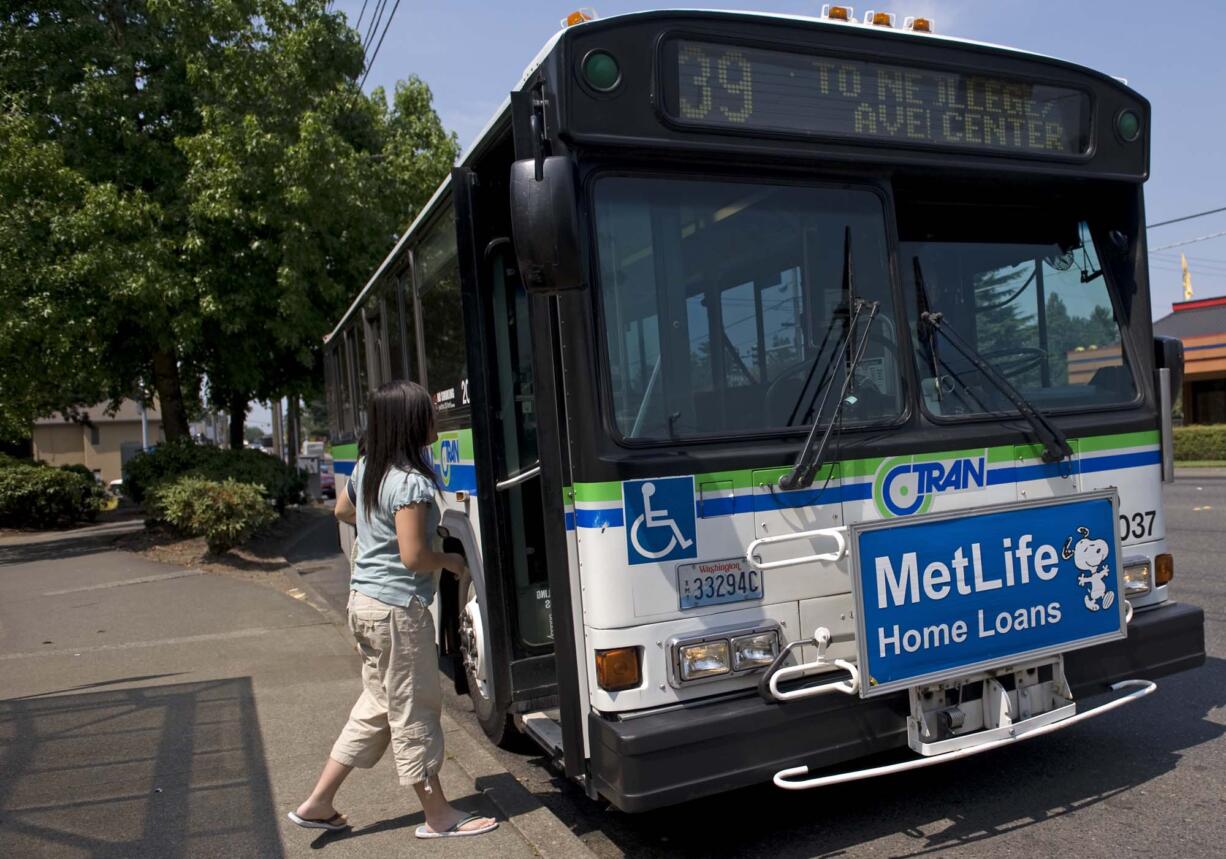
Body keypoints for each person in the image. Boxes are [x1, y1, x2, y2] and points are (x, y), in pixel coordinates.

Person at [289, 381, 497, 839]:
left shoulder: (368, 468)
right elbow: (413, 558)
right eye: (428, 413)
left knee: (377, 706)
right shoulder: (412, 483)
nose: (435, 420)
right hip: (396, 612)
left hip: (364, 603)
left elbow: (342, 512)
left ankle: (318, 802)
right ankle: (438, 816)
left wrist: (375, 533)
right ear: (410, 423)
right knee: (414, 709)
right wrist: (449, 559)